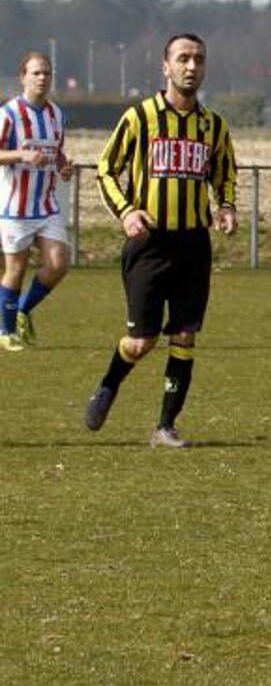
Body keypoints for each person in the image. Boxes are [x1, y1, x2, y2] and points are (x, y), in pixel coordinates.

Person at [83, 34, 239, 447]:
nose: (191, 67)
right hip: (149, 244)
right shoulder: (139, 117)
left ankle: (165, 427)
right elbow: (105, 169)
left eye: (198, 60)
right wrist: (127, 212)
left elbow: (223, 174)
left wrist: (226, 207)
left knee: (185, 336)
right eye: (183, 59)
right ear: (165, 67)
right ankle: (108, 384)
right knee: (141, 342)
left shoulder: (214, 126)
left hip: (193, 244)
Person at [0, 51, 73, 351]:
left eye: (46, 73)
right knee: (15, 269)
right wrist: (20, 155)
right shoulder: (9, 115)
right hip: (16, 208)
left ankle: (23, 311)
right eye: (36, 73)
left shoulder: (57, 114)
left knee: (58, 264)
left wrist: (64, 166)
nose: (42, 78)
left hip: (46, 205)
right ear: (23, 77)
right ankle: (6, 333)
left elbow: (57, 153)